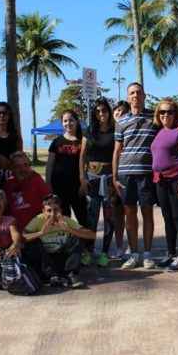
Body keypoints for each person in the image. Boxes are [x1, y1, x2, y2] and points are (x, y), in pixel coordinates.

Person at [113, 83, 158, 270]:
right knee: (129, 214)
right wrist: (114, 177)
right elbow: (117, 150)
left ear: (144, 95)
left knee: (147, 212)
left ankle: (147, 254)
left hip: (147, 173)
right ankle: (134, 254)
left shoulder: (154, 117)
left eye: (138, 92)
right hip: (125, 174)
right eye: (132, 93)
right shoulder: (121, 121)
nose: (135, 96)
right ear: (128, 96)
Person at [151, 99, 178, 271]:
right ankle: (170, 253)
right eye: (162, 112)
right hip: (160, 181)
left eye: (169, 112)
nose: (165, 115)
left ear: (176, 113)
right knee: (168, 219)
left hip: (176, 179)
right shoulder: (159, 131)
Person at [23, 194, 96, 288]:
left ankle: (71, 274)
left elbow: (92, 235)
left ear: (60, 211)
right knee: (33, 243)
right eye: (49, 211)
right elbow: (22, 238)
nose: (52, 214)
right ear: (43, 211)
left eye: (55, 210)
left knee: (77, 237)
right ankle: (52, 276)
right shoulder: (38, 220)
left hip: (63, 259)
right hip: (46, 261)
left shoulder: (65, 220)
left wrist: (69, 230)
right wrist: (41, 232)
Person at [46, 110, 89, 261]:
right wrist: (48, 185)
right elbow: (50, 165)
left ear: (77, 122)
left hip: (78, 188)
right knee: (63, 221)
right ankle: (66, 252)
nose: (68, 123)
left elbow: (86, 164)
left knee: (83, 220)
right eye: (65, 121)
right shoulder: (56, 142)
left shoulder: (83, 141)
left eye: (71, 120)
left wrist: (84, 183)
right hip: (59, 188)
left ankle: (86, 251)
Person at [79, 98, 118, 268]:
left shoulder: (116, 130)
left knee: (109, 218)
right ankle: (88, 251)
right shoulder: (89, 131)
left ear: (109, 112)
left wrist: (116, 180)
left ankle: (105, 253)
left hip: (109, 180)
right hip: (92, 179)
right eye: (98, 111)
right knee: (91, 218)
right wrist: (82, 178)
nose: (101, 113)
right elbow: (82, 156)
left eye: (104, 110)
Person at [4, 151, 51, 232]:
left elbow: (50, 203)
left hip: (38, 230)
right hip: (16, 231)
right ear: (12, 168)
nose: (23, 169)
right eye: (18, 166)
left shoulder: (37, 180)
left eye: (26, 165)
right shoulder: (8, 184)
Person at [111, 101, 130, 258]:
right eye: (116, 111)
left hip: (127, 175)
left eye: (123, 112)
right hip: (111, 177)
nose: (119, 114)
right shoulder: (108, 131)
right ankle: (119, 246)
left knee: (129, 211)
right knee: (116, 214)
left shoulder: (129, 129)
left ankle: (132, 244)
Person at [0, 101, 23, 169]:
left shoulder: (15, 135)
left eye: (4, 113)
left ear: (9, 115)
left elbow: (19, 154)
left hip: (11, 171)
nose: (2, 115)